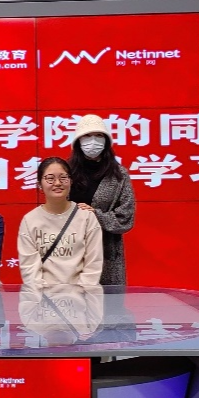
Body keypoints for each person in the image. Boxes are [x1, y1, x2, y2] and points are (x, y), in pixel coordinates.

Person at [68, 114, 135, 285]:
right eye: (87, 135)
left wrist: (96, 215)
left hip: (107, 253)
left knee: (108, 300)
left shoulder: (119, 175)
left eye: (98, 135)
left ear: (106, 140)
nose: (93, 141)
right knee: (69, 299)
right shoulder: (66, 172)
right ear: (78, 140)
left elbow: (125, 218)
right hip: (70, 250)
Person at [18, 156, 103, 287]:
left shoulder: (86, 217)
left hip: (81, 296)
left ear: (71, 181)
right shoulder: (30, 220)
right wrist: (44, 295)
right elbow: (30, 270)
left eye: (63, 177)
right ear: (39, 184)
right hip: (43, 296)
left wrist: (80, 292)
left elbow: (93, 264)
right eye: (50, 178)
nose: (57, 183)